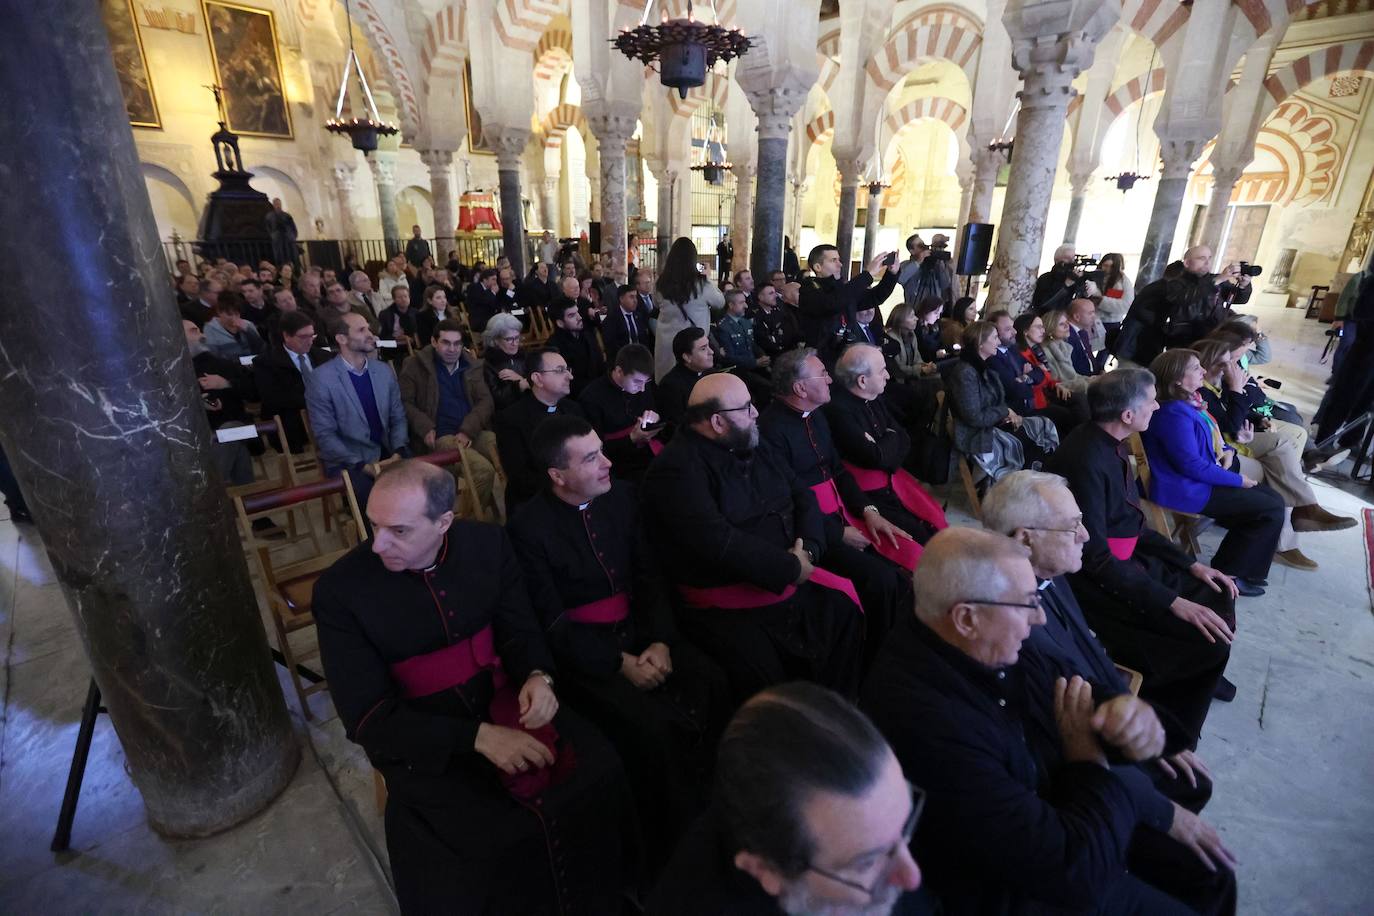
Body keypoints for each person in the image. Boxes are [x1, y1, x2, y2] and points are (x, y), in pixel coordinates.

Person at [311, 460, 633, 914]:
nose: (378, 544)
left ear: (444, 522)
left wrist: (538, 676)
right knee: (485, 844)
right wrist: (478, 738)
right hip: (424, 739)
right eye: (374, 525)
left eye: (398, 531)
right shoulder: (340, 590)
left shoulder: (488, 543)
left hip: (503, 699)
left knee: (600, 772)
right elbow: (366, 716)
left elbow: (520, 630)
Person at [863, 528, 1218, 915]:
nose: (1040, 617)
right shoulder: (923, 719)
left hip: (1070, 813)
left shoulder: (987, 639)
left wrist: (1127, 715)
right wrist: (1088, 761)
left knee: (1208, 871)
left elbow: (1080, 687)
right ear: (967, 618)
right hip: (1020, 887)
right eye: (1028, 603)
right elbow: (1073, 874)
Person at [509, 416, 729, 872]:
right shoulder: (528, 527)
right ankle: (676, 845)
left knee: (713, 681)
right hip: (584, 656)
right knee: (650, 731)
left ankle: (720, 805)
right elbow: (549, 620)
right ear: (557, 475)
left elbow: (649, 577)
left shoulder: (623, 497)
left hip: (643, 633)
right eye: (591, 458)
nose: (608, 462)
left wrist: (662, 641)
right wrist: (618, 662)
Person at [981, 471, 1222, 813]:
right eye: (1072, 526)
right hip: (1072, 757)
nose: (1086, 534)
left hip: (1103, 709)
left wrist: (1141, 722)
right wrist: (1156, 803)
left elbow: (1091, 656)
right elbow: (1051, 733)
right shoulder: (1008, 620)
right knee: (1188, 790)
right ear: (1025, 539)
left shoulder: (1051, 575)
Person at [641, 373, 866, 703]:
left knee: (843, 613)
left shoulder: (751, 443)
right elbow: (718, 541)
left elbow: (802, 496)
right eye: (747, 407)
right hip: (729, 603)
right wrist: (790, 567)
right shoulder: (675, 469)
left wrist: (812, 549)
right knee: (765, 677)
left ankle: (836, 713)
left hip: (788, 574)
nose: (756, 413)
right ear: (717, 422)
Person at [1045, 368, 1242, 733]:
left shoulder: (1109, 442)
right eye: (1150, 400)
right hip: (1095, 584)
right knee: (1206, 640)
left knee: (1215, 589)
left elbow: (1132, 523)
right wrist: (1172, 601)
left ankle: (1199, 676)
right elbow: (1095, 558)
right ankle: (1172, 727)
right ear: (1127, 415)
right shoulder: (1085, 458)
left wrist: (1190, 565)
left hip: (1125, 560)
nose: (1157, 404)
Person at [648, 682, 931, 915]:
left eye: (903, 827)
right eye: (866, 863)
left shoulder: (856, 840)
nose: (912, 876)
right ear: (765, 870)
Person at [1192, 338, 1353, 562]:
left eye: (1235, 360)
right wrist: (1237, 389)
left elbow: (1247, 407)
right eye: (1227, 362)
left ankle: (1296, 522)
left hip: (1233, 444)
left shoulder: (1218, 384)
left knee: (1287, 451)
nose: (1234, 367)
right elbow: (1227, 424)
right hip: (1224, 453)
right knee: (1281, 465)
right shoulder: (1201, 392)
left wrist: (1256, 419)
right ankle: (1299, 518)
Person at [1144, 349, 1285, 593]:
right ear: (1177, 378)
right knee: (1268, 506)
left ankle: (1234, 569)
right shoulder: (1172, 413)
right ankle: (1234, 574)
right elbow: (1190, 465)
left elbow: (1213, 439)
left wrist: (1229, 450)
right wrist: (1238, 480)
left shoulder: (1190, 402)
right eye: (1195, 368)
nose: (1203, 371)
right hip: (1185, 488)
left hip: (1198, 481)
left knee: (1270, 499)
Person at [824, 344, 947, 548]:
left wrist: (885, 446)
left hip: (892, 480)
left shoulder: (874, 397)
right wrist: (889, 442)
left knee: (935, 524)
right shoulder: (839, 411)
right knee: (922, 541)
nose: (888, 376)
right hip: (869, 495)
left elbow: (904, 439)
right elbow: (875, 457)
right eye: (882, 371)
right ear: (862, 381)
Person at [305, 313, 409, 509]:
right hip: (348, 460)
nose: (371, 334)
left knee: (421, 485)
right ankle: (373, 538)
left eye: (369, 328)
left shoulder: (383, 371)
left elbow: (398, 417)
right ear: (341, 339)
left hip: (387, 451)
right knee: (374, 500)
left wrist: (398, 451)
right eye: (362, 330)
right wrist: (363, 465)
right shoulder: (321, 379)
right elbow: (325, 435)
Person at [398, 319, 500, 520]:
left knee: (506, 448)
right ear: (434, 342)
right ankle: (466, 523)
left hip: (470, 430)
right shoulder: (415, 366)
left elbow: (485, 401)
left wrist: (467, 430)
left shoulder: (471, 364)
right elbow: (404, 403)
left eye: (457, 343)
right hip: (440, 434)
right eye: (446, 342)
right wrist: (425, 427)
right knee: (482, 472)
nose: (452, 349)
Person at [945, 320, 1058, 482]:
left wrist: (1008, 412)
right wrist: (1005, 412)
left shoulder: (981, 366)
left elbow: (1001, 398)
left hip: (992, 424)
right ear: (980, 343)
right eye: (995, 337)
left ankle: (1034, 482)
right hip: (976, 434)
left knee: (1044, 425)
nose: (998, 342)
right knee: (1026, 441)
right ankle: (1022, 485)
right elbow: (974, 417)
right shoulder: (965, 373)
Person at [1115, 246, 1253, 367]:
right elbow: (1184, 298)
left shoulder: (1215, 281)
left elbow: (1239, 298)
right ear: (1187, 263)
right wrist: (1217, 280)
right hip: (1180, 343)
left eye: (1209, 258)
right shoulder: (1175, 283)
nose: (1207, 262)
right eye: (1201, 258)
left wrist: (1243, 286)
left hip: (1208, 341)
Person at [494, 348, 585, 512]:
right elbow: (520, 477)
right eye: (560, 371)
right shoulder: (511, 419)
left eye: (568, 369)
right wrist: (567, 484)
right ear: (537, 378)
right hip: (537, 501)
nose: (570, 376)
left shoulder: (574, 410)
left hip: (579, 491)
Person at [797, 246, 898, 364]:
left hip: (846, 354)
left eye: (839, 260)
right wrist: (868, 274)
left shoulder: (842, 289)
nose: (839, 264)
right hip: (823, 358)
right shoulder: (809, 289)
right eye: (833, 260)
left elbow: (875, 297)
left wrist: (891, 274)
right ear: (818, 267)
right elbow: (832, 303)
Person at [578, 344, 661, 483]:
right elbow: (596, 448)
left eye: (646, 382)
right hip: (619, 464)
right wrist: (632, 438)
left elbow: (654, 411)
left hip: (647, 452)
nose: (642, 389)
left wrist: (655, 418)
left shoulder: (643, 386)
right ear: (619, 371)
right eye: (637, 382)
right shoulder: (591, 397)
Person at [254, 310, 333, 453]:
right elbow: (272, 398)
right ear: (286, 336)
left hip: (329, 416)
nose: (309, 341)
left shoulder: (324, 357)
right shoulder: (266, 363)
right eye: (303, 337)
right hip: (293, 422)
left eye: (312, 335)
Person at [653, 238, 725, 381]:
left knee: (668, 383)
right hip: (692, 345)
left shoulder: (660, 283)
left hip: (666, 343)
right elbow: (720, 302)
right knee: (692, 386)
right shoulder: (701, 284)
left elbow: (656, 304)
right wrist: (707, 277)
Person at [1014, 311, 1087, 435]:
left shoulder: (1036, 349)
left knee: (1080, 399)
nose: (1043, 330)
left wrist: (1055, 383)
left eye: (1043, 327)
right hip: (1035, 401)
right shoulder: (1020, 353)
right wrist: (1041, 375)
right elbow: (1034, 380)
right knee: (1067, 413)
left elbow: (1045, 375)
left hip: (1049, 390)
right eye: (1038, 327)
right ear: (1025, 331)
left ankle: (1085, 438)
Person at [657, 326, 715, 428]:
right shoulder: (671, 386)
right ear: (687, 357)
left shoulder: (710, 373)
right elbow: (677, 426)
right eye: (703, 349)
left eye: (708, 346)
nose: (711, 352)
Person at [548, 298, 605, 398]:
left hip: (597, 391)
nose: (579, 317)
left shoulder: (588, 336)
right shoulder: (553, 347)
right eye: (572, 315)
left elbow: (600, 365)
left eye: (577, 312)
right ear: (560, 323)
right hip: (574, 398)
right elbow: (563, 382)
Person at [478, 313, 530, 412]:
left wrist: (521, 379)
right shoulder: (488, 363)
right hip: (509, 413)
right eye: (509, 339)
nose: (515, 343)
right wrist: (519, 386)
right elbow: (497, 399)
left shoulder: (525, 356)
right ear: (496, 340)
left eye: (517, 337)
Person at [1030, 244, 1098, 314]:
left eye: (1073, 258)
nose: (1072, 262)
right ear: (1057, 260)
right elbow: (1044, 304)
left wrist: (1092, 288)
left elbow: (1088, 298)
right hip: (1050, 318)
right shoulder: (1046, 278)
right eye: (1067, 258)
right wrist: (1066, 285)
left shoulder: (1079, 277)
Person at [715, 290, 771, 373]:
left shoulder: (745, 322)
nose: (746, 306)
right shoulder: (723, 327)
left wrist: (763, 356)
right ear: (731, 305)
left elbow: (752, 344)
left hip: (755, 366)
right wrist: (755, 362)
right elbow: (729, 357)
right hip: (739, 371)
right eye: (741, 303)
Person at [1040, 307, 1091, 397]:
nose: (1067, 326)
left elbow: (1073, 376)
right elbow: (1057, 382)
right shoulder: (1045, 352)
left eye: (1067, 323)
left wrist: (1092, 380)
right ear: (1050, 329)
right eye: (1061, 324)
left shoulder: (1065, 347)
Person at [600, 284, 655, 361]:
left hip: (641, 359)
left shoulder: (640, 316)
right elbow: (611, 347)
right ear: (621, 299)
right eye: (631, 297)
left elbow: (645, 340)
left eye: (636, 297)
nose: (635, 300)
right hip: (623, 360)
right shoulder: (611, 320)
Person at [204, 295, 265, 361]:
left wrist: (248, 331)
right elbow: (213, 355)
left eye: (236, 314)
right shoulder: (210, 328)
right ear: (219, 312)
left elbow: (261, 348)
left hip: (252, 363)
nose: (233, 317)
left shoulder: (248, 324)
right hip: (229, 366)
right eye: (229, 314)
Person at [751, 283, 802, 359]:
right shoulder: (755, 316)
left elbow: (789, 332)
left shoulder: (779, 311)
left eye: (775, 293)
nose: (775, 296)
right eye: (771, 293)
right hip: (771, 356)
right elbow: (765, 342)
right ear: (760, 297)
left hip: (787, 352)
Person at [1096, 252, 1134, 339]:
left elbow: (1126, 304)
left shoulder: (1123, 282)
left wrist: (1101, 300)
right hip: (1094, 318)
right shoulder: (1096, 277)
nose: (1107, 269)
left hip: (1112, 321)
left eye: (1111, 266)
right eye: (1105, 265)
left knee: (1105, 348)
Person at [377, 283, 418, 363]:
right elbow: (382, 337)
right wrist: (396, 339)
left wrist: (412, 339)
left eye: (405, 296)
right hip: (393, 349)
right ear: (394, 299)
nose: (403, 299)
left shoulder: (416, 313)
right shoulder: (385, 314)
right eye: (400, 297)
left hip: (413, 347)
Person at [265, 197, 298, 268]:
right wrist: (273, 236)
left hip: (288, 240)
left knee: (292, 257)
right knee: (280, 258)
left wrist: (293, 237)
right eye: (276, 204)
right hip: (277, 241)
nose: (278, 206)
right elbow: (268, 228)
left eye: (279, 204)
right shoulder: (269, 216)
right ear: (273, 205)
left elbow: (293, 228)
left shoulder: (287, 215)